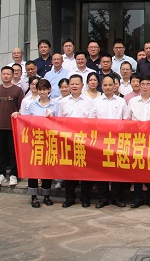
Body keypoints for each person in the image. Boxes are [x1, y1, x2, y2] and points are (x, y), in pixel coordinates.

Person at [12, 78, 57, 208]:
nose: (42, 92)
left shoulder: (55, 105)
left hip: (49, 141)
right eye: (40, 89)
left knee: (47, 168)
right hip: (35, 140)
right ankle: (33, 196)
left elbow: (60, 122)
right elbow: (25, 120)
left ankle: (46, 195)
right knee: (34, 168)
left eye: (45, 89)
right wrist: (18, 115)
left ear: (49, 90)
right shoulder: (32, 105)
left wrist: (52, 118)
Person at [125, 76, 150, 208]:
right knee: (137, 169)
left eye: (148, 84)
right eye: (143, 84)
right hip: (136, 140)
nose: (145, 86)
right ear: (139, 85)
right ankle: (137, 198)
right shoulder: (133, 101)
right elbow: (127, 119)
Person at [58, 74, 97, 208]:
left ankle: (85, 198)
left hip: (84, 140)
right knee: (69, 169)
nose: (74, 86)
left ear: (82, 86)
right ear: (69, 86)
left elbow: (92, 120)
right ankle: (70, 198)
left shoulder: (89, 101)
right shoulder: (63, 102)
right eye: (72, 84)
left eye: (77, 84)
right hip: (68, 140)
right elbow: (60, 121)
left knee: (85, 170)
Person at [94, 74, 129, 209]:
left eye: (110, 85)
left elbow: (126, 120)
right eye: (105, 85)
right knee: (101, 169)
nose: (108, 87)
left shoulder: (121, 102)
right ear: (101, 86)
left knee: (116, 169)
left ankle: (116, 197)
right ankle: (103, 197)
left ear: (115, 86)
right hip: (101, 140)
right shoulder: (96, 101)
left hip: (117, 140)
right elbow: (91, 120)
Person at [0, 66, 24, 187]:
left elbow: (21, 107)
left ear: (13, 75)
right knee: (1, 152)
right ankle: (1, 174)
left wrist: (18, 114)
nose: (6, 76)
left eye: (8, 74)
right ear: (1, 75)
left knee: (13, 152)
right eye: (4, 74)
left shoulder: (17, 90)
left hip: (13, 127)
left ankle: (13, 175)